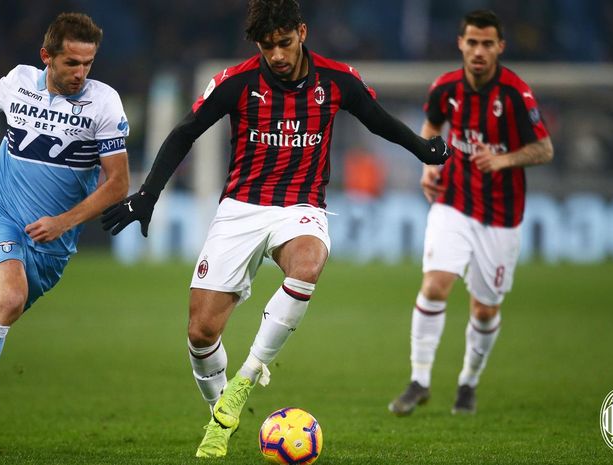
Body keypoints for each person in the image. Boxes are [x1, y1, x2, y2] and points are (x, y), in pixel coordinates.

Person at [102, 0, 448, 457]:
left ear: (301, 32)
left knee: (308, 263)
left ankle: (246, 380)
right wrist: (149, 194)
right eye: (268, 47)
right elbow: (185, 131)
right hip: (240, 209)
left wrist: (423, 149)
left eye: (284, 43)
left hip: (300, 207)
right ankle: (219, 417)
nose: (278, 55)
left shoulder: (337, 79)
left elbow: (378, 121)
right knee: (201, 333)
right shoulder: (237, 82)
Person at [0, 12, 130, 446]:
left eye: (88, 64)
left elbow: (118, 183)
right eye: (71, 62)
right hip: (1, 217)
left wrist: (64, 222)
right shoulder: (17, 82)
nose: (80, 74)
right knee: (10, 297)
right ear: (46, 57)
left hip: (51, 247)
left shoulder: (104, 104)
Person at [388, 9, 553, 416]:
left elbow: (545, 149)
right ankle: (419, 380)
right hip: (453, 202)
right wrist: (429, 165)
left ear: (500, 47)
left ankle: (468, 382)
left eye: (487, 43)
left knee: (484, 309)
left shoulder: (515, 94)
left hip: (501, 216)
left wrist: (504, 160)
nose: (479, 51)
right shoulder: (445, 88)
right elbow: (430, 128)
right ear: (461, 43)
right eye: (472, 42)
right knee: (435, 286)